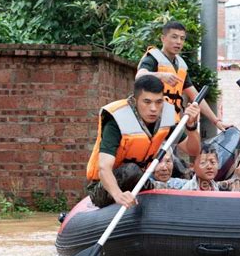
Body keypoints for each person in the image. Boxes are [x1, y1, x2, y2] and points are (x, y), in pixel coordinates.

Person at [86, 75, 201, 208]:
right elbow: (104, 167)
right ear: (135, 101)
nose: (153, 108)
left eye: (158, 102)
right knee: (132, 170)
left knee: (177, 168)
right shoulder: (116, 120)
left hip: (142, 180)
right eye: (147, 102)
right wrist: (118, 195)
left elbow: (193, 150)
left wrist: (191, 127)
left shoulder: (165, 117)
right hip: (104, 188)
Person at [136, 21, 230, 131]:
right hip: (150, 123)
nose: (178, 42)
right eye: (174, 37)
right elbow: (139, 76)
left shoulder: (180, 66)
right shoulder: (152, 58)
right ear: (163, 38)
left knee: (191, 146)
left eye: (182, 38)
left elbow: (195, 96)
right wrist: (160, 75)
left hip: (171, 123)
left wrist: (216, 121)